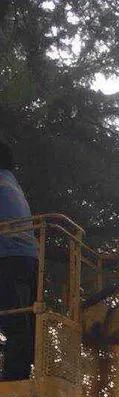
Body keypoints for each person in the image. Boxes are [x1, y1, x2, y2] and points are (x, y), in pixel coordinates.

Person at [0, 141, 38, 380]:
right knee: (21, 316)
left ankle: (15, 374)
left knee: (12, 318)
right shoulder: (11, 184)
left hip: (8, 256)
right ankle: (19, 371)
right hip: (27, 258)